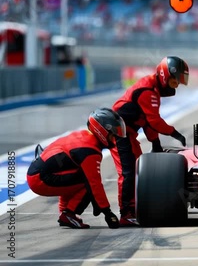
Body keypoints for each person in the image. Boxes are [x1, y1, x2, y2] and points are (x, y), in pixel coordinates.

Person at [111, 56, 189, 226]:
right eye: (175, 82)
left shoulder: (153, 89)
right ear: (164, 76)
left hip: (127, 133)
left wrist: (156, 144)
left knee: (139, 170)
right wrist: (175, 133)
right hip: (119, 133)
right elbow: (154, 121)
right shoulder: (148, 91)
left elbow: (147, 122)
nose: (176, 87)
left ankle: (135, 207)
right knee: (128, 172)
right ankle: (126, 212)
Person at [26, 108, 124, 229]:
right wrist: (107, 212)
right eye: (113, 134)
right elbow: (94, 184)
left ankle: (65, 213)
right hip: (40, 179)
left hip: (36, 173)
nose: (114, 139)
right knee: (86, 182)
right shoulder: (90, 151)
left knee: (77, 175)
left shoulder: (83, 135)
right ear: (102, 131)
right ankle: (70, 214)